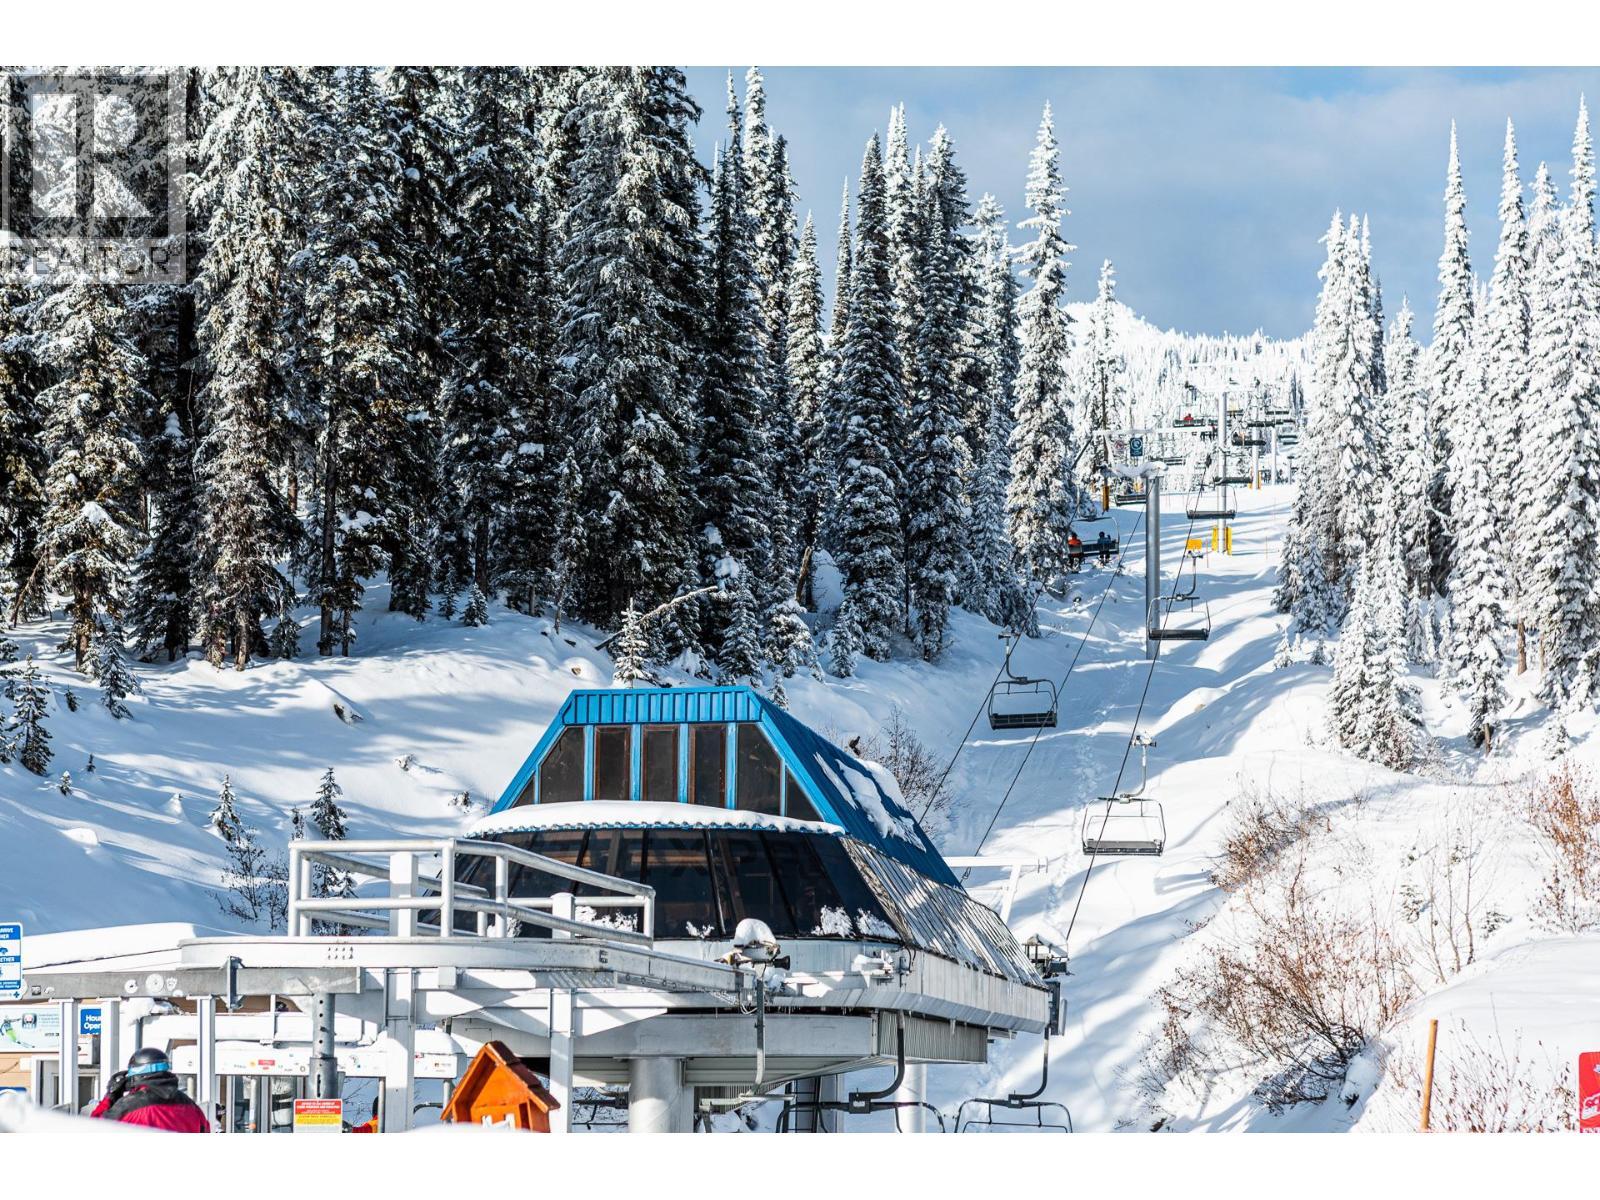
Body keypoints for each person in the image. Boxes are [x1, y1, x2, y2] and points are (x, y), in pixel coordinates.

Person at [90, 1048, 210, 1131]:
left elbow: (95, 1128)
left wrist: (110, 1097)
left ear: (137, 1075)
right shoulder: (191, 1106)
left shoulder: (130, 1104)